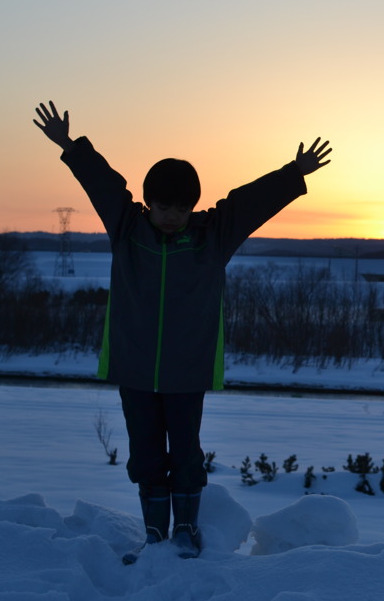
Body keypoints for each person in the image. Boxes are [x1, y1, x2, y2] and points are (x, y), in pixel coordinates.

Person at [33, 101, 332, 563]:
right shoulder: (128, 228)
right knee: (146, 457)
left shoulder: (212, 236)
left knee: (186, 455)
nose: (172, 215)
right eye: (164, 206)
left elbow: (250, 201)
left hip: (187, 370)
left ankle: (186, 532)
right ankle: (154, 537)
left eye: (182, 207)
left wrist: (294, 172)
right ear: (149, 204)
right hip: (134, 367)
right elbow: (104, 184)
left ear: (193, 206)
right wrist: (71, 146)